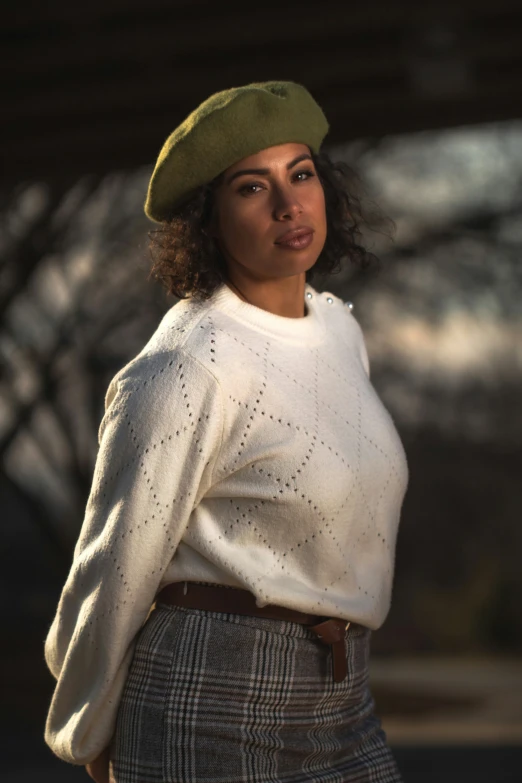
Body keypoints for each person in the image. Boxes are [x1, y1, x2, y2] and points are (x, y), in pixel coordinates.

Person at [43, 80, 409, 783]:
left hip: (343, 694)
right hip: (209, 695)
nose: (288, 203)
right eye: (250, 187)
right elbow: (113, 566)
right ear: (207, 220)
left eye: (300, 174)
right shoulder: (188, 366)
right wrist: (90, 728)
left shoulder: (339, 329)